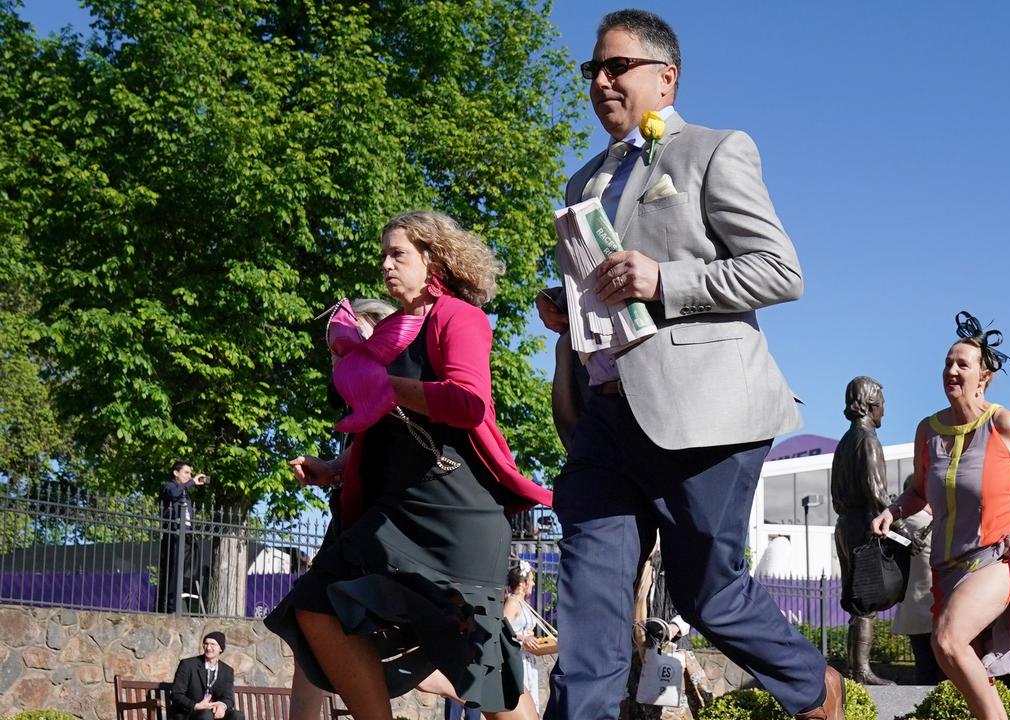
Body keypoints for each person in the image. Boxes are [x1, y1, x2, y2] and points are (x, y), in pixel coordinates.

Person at [534, 10, 840, 719]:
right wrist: (568, 305)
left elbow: (779, 272)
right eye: (594, 69)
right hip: (606, 418)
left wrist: (663, 280)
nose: (601, 80)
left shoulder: (714, 150)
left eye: (618, 66)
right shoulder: (584, 181)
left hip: (703, 415)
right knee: (588, 596)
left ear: (666, 78)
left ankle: (811, 684)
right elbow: (604, 284)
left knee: (708, 592)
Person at [266, 210, 552, 720]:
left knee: (484, 670)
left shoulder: (459, 317)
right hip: (398, 514)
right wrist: (333, 467)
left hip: (456, 519)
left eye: (397, 254)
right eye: (384, 255)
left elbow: (469, 404)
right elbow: (384, 429)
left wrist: (386, 387)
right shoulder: (393, 329)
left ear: (432, 257)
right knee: (315, 602)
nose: (386, 265)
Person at [873, 312, 1010, 720]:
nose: (951, 371)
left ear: (984, 377)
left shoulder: (1003, 423)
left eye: (962, 364)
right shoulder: (928, 430)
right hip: (946, 568)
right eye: (947, 363)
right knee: (958, 660)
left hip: (995, 559)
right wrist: (894, 510)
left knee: (948, 640)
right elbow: (921, 490)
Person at [287, 298, 398, 720]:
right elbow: (359, 459)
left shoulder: (398, 388)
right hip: (348, 528)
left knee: (454, 653)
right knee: (309, 623)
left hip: (383, 535)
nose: (340, 357)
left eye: (351, 344)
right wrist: (332, 469)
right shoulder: (359, 403)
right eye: (334, 350)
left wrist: (337, 470)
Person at [831, 376, 895, 686]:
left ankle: (854, 669)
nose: (884, 410)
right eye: (882, 404)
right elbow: (878, 492)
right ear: (870, 405)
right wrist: (901, 520)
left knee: (855, 602)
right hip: (862, 525)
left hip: (843, 524)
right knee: (866, 602)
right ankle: (862, 671)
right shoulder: (868, 440)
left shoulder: (844, 442)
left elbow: (834, 493)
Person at [889, 491, 943, 686]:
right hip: (928, 606)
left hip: (916, 609)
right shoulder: (917, 520)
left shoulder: (904, 523)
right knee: (934, 669)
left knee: (925, 666)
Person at [158, 460, 207, 613]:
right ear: (176, 473)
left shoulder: (187, 494)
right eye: (186, 472)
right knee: (172, 570)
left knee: (190, 569)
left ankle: (188, 597)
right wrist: (192, 482)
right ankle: (169, 608)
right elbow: (173, 494)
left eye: (190, 474)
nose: (189, 476)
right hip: (174, 535)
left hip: (187, 537)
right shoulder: (169, 487)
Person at [504, 561, 544, 715]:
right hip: (517, 659)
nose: (533, 584)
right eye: (531, 580)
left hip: (528, 661)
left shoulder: (524, 604)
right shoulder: (512, 603)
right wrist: (523, 638)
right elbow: (503, 630)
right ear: (523, 583)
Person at [171, 631, 235, 720]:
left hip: (213, 712)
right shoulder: (188, 665)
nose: (208, 648)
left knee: (237, 716)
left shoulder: (227, 671)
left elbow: (228, 698)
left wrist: (222, 706)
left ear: (221, 648)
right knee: (205, 715)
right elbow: (176, 694)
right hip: (190, 713)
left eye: (212, 644)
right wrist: (196, 706)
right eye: (206, 644)